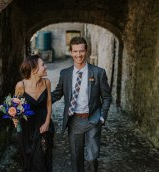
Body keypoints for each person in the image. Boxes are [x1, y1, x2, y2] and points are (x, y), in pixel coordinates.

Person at [52, 36, 112, 172]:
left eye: (81, 51)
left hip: (92, 119)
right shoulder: (65, 74)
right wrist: (38, 99)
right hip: (74, 121)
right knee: (76, 157)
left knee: (92, 157)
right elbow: (57, 94)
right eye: (75, 51)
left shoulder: (98, 72)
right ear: (71, 52)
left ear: (86, 51)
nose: (78, 55)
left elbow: (107, 97)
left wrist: (102, 117)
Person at [13, 54, 54, 172]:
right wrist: (16, 122)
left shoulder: (47, 82)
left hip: (43, 124)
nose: (45, 67)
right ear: (34, 69)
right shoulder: (21, 85)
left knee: (43, 157)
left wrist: (47, 123)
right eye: (43, 65)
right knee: (29, 160)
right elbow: (14, 108)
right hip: (27, 127)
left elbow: (49, 104)